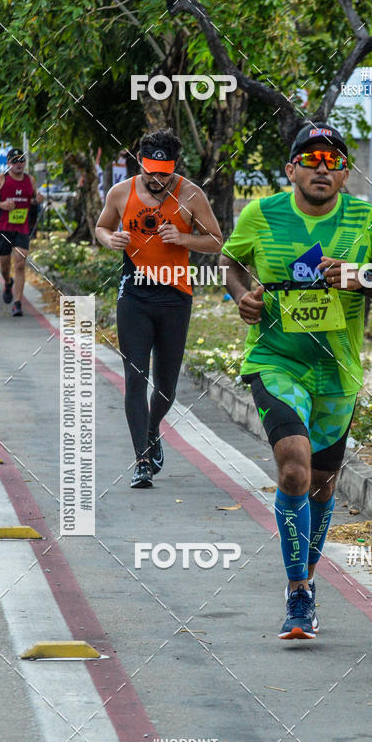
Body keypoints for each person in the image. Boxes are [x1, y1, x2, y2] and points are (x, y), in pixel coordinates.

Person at [222, 122, 372, 639]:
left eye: (333, 161)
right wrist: (242, 295)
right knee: (293, 472)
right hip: (275, 359)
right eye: (310, 160)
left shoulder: (367, 220)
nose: (322, 169)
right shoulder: (261, 214)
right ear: (291, 170)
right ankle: (298, 590)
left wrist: (360, 276)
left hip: (337, 372)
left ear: (345, 172)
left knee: (324, 486)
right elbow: (231, 263)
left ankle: (305, 577)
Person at [96, 128, 223, 488]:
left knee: (165, 384)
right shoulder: (121, 193)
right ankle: (140, 461)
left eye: (163, 173)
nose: (156, 180)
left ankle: (153, 430)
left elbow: (216, 240)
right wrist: (111, 239)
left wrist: (183, 238)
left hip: (175, 297)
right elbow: (101, 227)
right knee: (135, 377)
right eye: (150, 171)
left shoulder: (191, 195)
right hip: (134, 294)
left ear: (175, 167)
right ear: (140, 164)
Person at [0, 148, 44, 316]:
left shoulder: (30, 180)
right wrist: (2, 205)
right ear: (8, 164)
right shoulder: (0, 179)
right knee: (5, 265)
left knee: (20, 263)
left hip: (22, 228)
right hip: (4, 228)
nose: (18, 164)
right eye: (14, 161)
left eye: (21, 160)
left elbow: (32, 199)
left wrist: (37, 200)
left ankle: (18, 303)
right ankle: (7, 282)